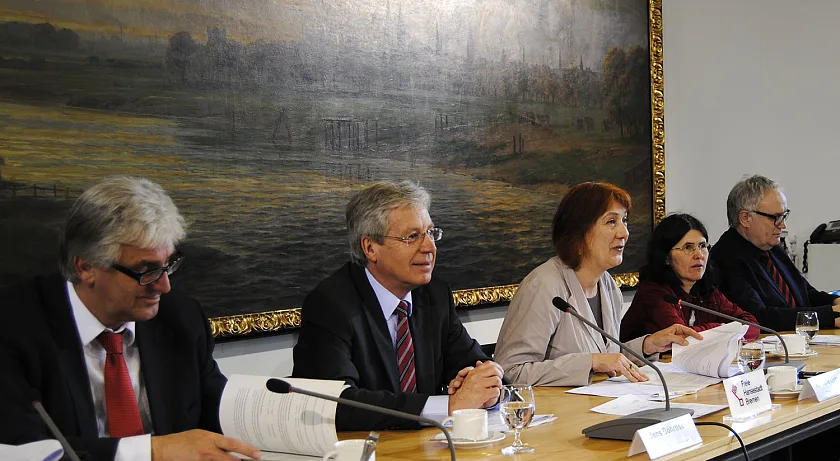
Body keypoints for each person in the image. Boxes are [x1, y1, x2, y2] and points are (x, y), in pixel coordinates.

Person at [0, 176, 261, 461]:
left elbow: (217, 409)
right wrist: (153, 451)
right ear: (87, 267)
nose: (164, 286)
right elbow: (20, 447)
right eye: (146, 270)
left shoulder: (180, 318)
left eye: (168, 265)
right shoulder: (13, 327)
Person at [292, 181, 503, 431]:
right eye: (412, 237)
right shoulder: (331, 304)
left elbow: (474, 364)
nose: (429, 247)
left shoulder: (434, 294)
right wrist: (447, 407)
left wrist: (486, 386)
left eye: (431, 233)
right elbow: (337, 403)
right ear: (370, 248)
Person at [494, 182, 702, 387]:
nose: (624, 233)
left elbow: (608, 358)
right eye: (611, 221)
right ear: (579, 232)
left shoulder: (608, 285)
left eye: (624, 221)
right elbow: (511, 372)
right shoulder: (543, 285)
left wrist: (648, 345)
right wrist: (591, 362)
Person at [710, 175, 840, 331]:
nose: (783, 225)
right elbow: (760, 317)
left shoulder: (771, 246)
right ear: (745, 218)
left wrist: (835, 302)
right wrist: (829, 315)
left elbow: (805, 292)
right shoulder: (726, 257)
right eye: (776, 217)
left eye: (784, 215)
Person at [620, 213, 760, 342]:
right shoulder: (653, 293)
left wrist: (723, 331)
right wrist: (726, 329)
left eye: (702, 246)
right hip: (641, 368)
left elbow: (751, 324)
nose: (699, 255)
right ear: (666, 258)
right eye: (688, 247)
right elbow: (682, 337)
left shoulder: (706, 291)